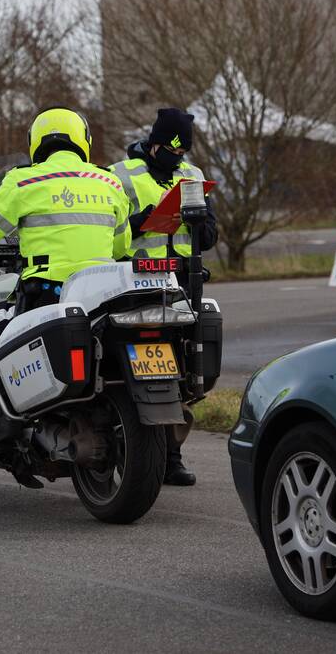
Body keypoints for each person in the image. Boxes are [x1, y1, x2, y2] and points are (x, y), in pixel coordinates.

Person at [0, 106, 131, 487]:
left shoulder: (23, 181)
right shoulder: (109, 182)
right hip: (101, 298)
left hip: (47, 298)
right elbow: (122, 245)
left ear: (37, 143)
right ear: (83, 142)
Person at [111, 107, 218, 487]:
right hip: (135, 281)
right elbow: (109, 232)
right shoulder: (120, 175)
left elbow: (210, 238)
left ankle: (171, 457)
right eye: (172, 151)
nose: (178, 158)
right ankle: (130, 445)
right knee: (128, 368)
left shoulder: (193, 176)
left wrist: (198, 221)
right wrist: (141, 221)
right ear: (154, 144)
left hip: (183, 284)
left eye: (183, 152)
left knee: (179, 371)